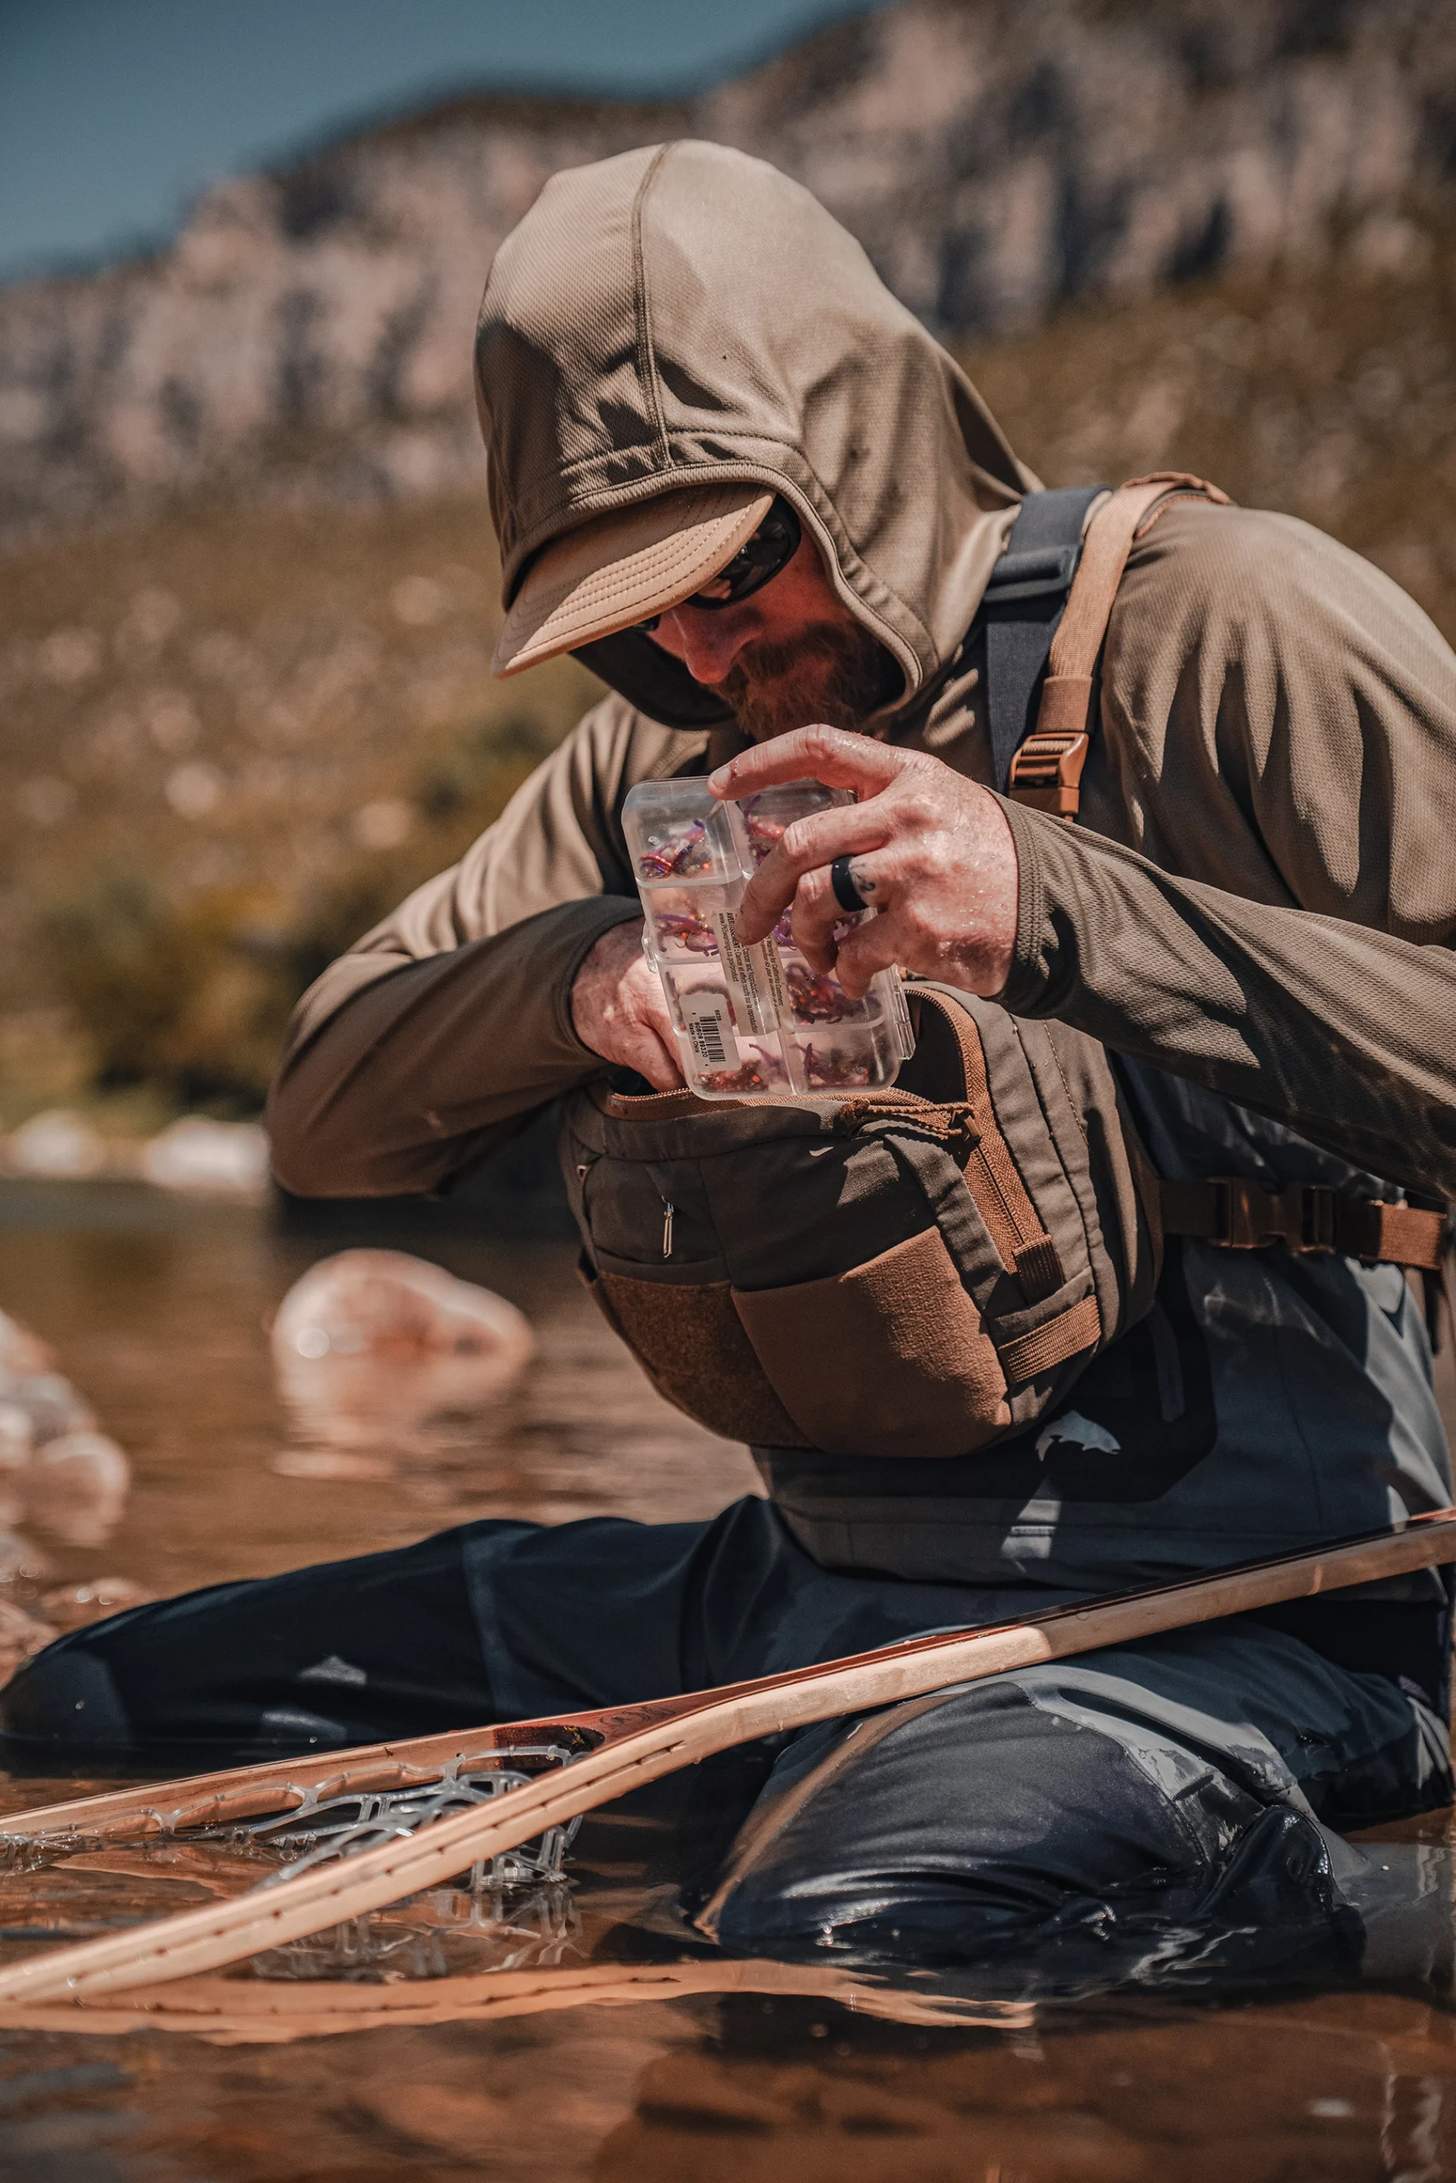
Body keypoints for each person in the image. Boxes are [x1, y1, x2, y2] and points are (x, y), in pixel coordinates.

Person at [7, 141, 1456, 1974]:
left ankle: (1362, 1921)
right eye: (631, 608)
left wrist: (1056, 909)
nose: (696, 645)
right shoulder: (662, 756)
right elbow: (324, 1112)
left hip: (1252, 1625)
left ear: (855, 461)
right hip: (791, 1600)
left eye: (730, 566)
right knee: (93, 1712)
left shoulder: (1229, 626)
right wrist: (578, 979)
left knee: (838, 1931)